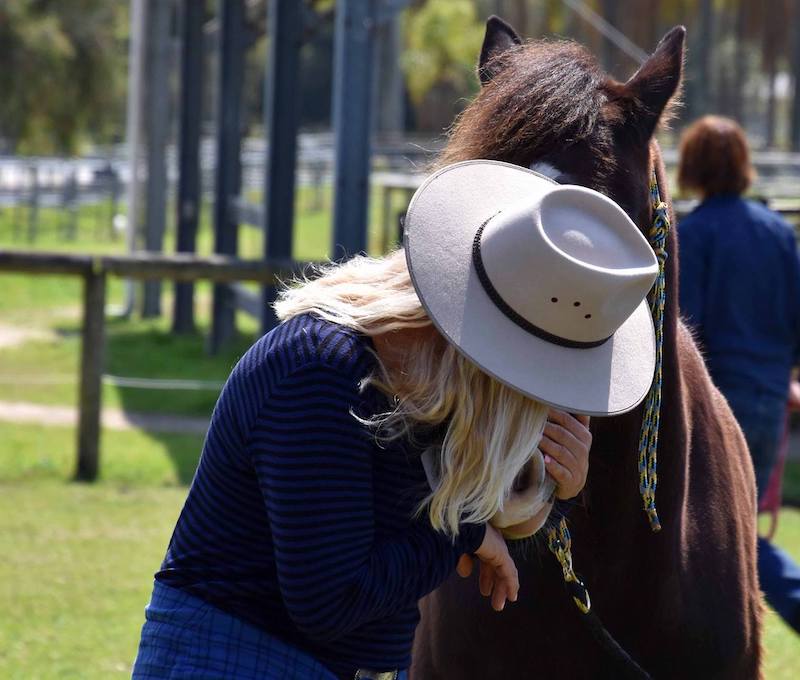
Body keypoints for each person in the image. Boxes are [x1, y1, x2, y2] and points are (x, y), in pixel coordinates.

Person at [132, 160, 660, 679]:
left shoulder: (421, 384)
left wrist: (553, 491)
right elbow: (331, 602)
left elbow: (467, 514)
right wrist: (463, 538)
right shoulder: (321, 371)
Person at [677, 115, 800, 633]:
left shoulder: (693, 233)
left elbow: (685, 329)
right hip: (770, 396)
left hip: (715, 400)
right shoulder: (779, 233)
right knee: (736, 527)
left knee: (713, 533)